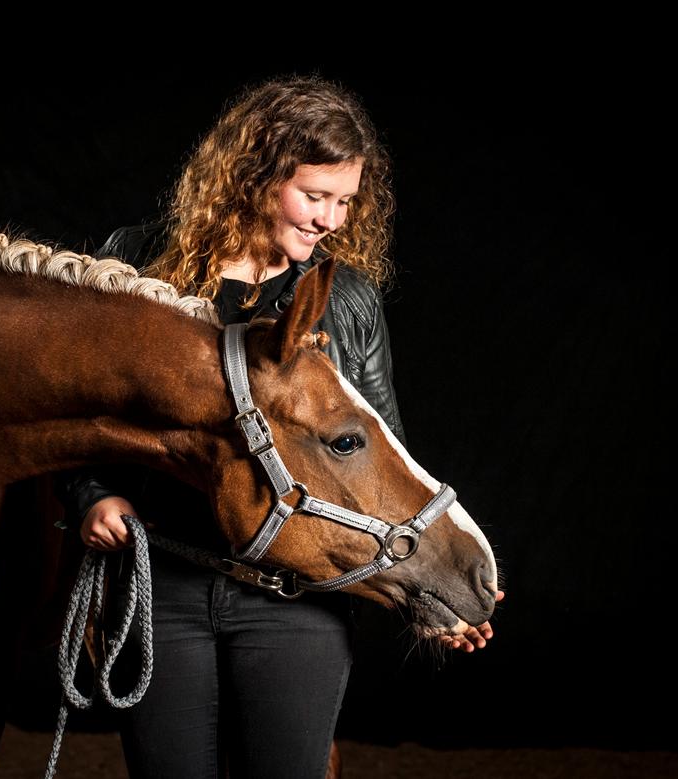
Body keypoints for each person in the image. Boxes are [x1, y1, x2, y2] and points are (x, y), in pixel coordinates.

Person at [54, 74, 500, 778]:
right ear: (254, 174)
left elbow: (383, 458)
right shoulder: (140, 261)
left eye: (345, 201)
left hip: (293, 604)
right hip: (163, 582)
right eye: (314, 196)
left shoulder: (345, 299)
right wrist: (90, 498)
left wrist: (432, 577)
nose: (331, 219)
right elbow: (77, 409)